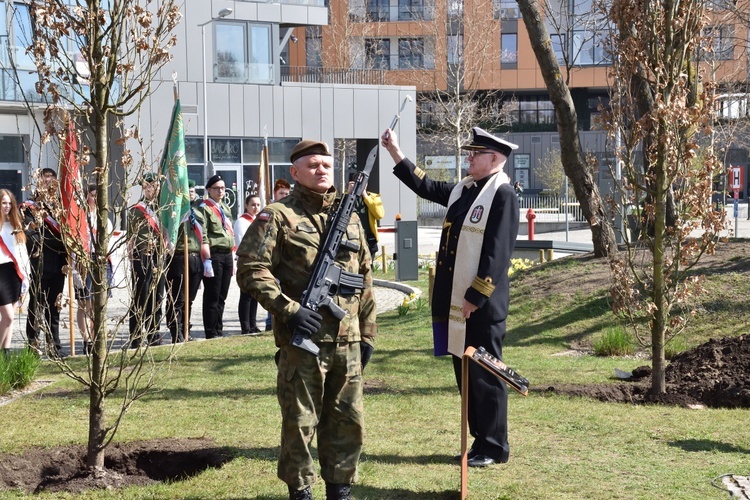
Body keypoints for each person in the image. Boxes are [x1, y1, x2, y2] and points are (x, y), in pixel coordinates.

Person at [236, 140, 377, 500]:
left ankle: (340, 492)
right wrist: (290, 309)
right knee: (299, 425)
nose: (321, 170)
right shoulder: (278, 215)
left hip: (347, 341)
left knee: (348, 423)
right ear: (295, 172)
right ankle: (301, 493)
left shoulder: (352, 218)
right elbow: (251, 269)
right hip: (303, 344)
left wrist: (368, 333)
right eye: (312, 165)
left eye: (326, 164)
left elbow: (365, 277)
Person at [381, 126, 520, 468]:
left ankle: (494, 446)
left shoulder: (502, 194)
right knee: (466, 375)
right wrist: (395, 152)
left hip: (481, 307)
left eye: (476, 153)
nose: (469, 157)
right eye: (470, 152)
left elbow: (497, 253)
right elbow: (426, 185)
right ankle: (480, 440)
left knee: (486, 377)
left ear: (495, 159)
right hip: (458, 304)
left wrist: (476, 295)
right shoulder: (466, 190)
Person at [21, 168, 67, 357]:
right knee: (36, 305)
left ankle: (54, 345)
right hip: (39, 263)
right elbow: (31, 235)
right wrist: (55, 241)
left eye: (52, 179)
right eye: (45, 178)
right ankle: (33, 345)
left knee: (55, 306)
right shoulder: (30, 207)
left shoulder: (60, 206)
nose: (48, 182)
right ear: (38, 181)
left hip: (59, 263)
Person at [165, 179, 208, 343]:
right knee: (177, 298)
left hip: (196, 257)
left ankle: (185, 329)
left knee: (189, 299)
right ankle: (176, 331)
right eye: (186, 191)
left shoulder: (198, 213)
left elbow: (204, 236)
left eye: (191, 191)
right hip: (179, 257)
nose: (190, 193)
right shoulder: (175, 212)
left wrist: (207, 259)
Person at [127, 173, 166, 348]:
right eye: (150, 185)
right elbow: (131, 238)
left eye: (156, 185)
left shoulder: (164, 208)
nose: (154, 189)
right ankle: (135, 334)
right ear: (144, 187)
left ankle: (153, 332)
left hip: (159, 254)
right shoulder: (137, 209)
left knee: (157, 294)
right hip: (142, 254)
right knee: (141, 295)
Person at [74, 184, 113, 355]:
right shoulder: (79, 218)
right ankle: (86, 340)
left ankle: (97, 339)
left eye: (99, 195)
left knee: (99, 304)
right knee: (85, 305)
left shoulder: (104, 218)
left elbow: (111, 244)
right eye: (92, 195)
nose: (95, 199)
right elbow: (75, 243)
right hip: (85, 260)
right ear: (86, 196)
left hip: (102, 262)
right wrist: (76, 268)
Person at [200, 174, 235, 339]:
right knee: (212, 295)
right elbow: (204, 234)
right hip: (214, 254)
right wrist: (206, 259)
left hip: (227, 254)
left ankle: (219, 329)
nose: (221, 191)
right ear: (209, 190)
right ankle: (211, 331)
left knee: (222, 295)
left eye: (223, 188)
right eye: (217, 188)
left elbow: (229, 231)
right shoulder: (204, 208)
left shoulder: (225, 208)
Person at [0, 190, 27, 357]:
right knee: (8, 317)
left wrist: (25, 276)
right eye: (4, 203)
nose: (7, 206)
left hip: (13, 272)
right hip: (0, 273)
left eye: (10, 203)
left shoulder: (15, 225)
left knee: (11, 319)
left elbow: (21, 252)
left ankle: (6, 353)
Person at [264, 178, 292, 331]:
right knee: (273, 291)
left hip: (288, 259)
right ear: (275, 194)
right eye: (281, 193)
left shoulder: (291, 212)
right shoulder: (270, 211)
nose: (285, 195)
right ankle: (270, 323)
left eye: (287, 193)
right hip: (274, 259)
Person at [234, 194, 262, 335]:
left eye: (258, 204)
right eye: (253, 205)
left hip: (258, 261)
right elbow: (241, 242)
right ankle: (245, 326)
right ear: (246, 205)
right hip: (247, 260)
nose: (255, 207)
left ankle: (253, 324)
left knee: (254, 294)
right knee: (246, 295)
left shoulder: (258, 220)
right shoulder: (242, 221)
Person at [348, 177, 384, 257]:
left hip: (369, 238)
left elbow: (379, 215)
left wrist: (365, 196)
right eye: (358, 183)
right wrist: (349, 194)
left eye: (363, 183)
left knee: (368, 266)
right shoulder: (348, 198)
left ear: (366, 184)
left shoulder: (374, 197)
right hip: (352, 237)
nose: (360, 186)